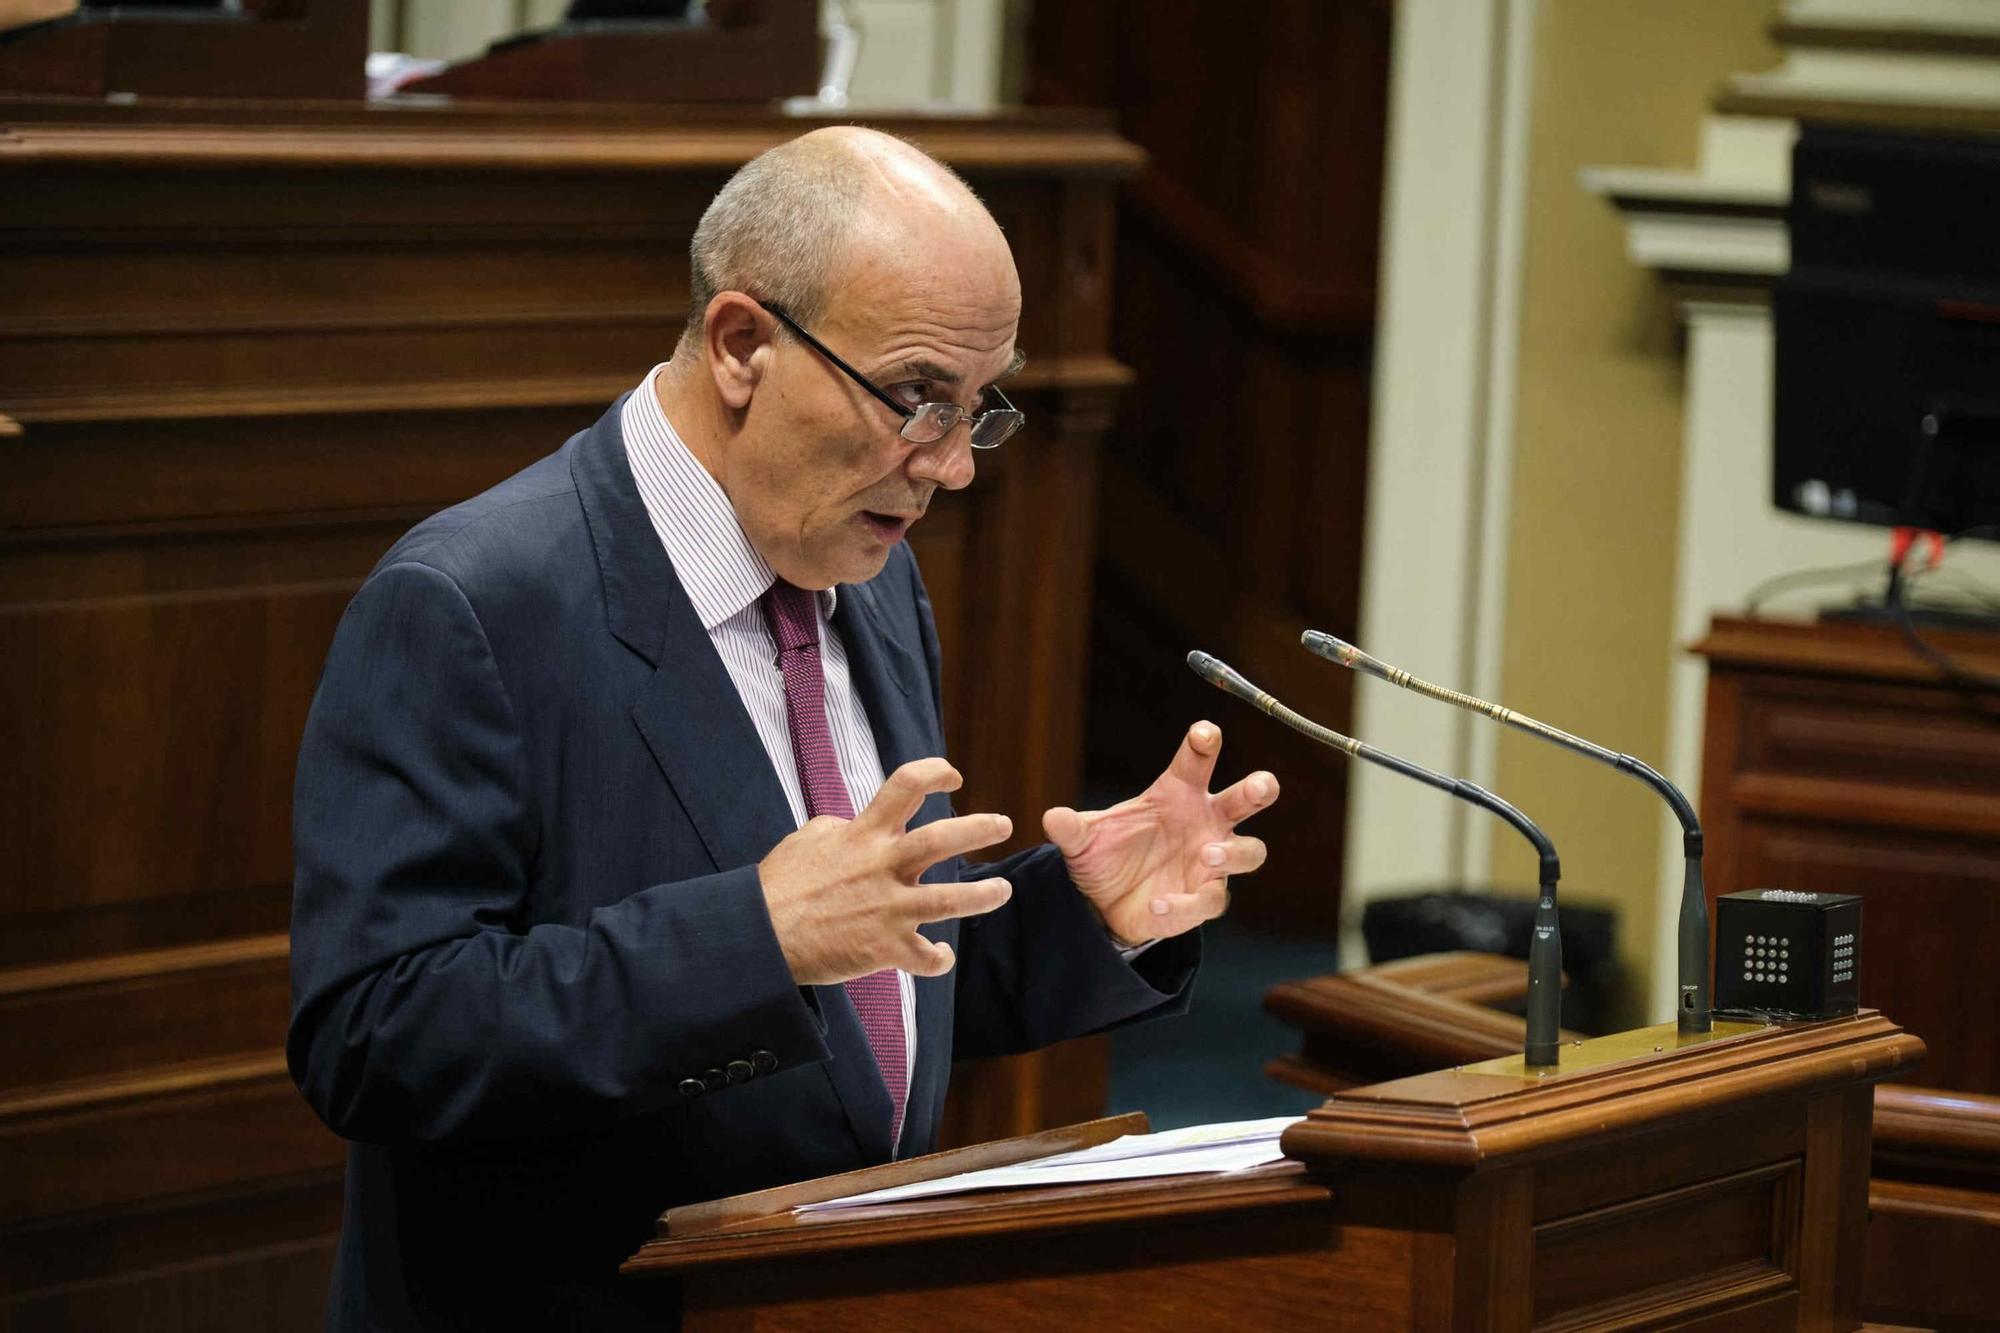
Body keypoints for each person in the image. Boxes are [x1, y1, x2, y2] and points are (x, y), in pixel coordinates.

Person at [287, 126, 1278, 1331]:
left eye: (982, 406)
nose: (955, 466)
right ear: (743, 344)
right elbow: (376, 1035)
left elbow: (859, 1002)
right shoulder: (473, 603)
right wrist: (751, 937)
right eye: (917, 399)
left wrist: (1084, 920)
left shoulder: (868, 572)